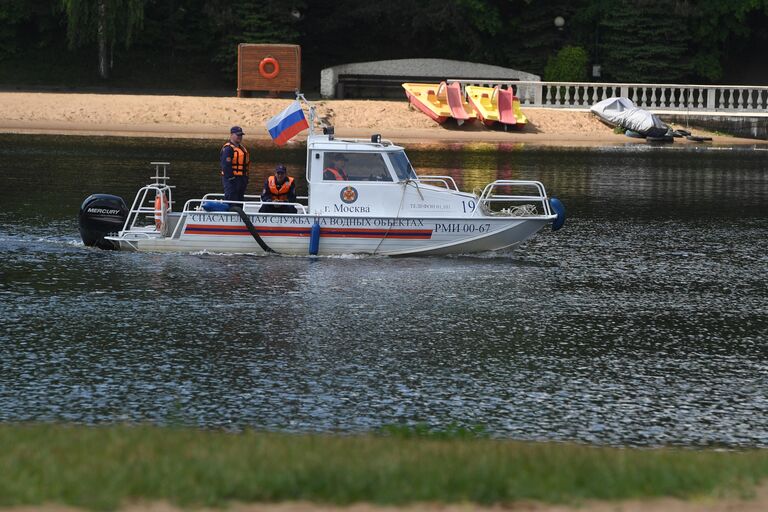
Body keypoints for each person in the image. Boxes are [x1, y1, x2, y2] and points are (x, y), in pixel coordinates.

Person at [220, 126, 250, 202]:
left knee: (240, 199)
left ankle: (239, 212)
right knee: (231, 198)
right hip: (232, 179)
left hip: (241, 178)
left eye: (241, 135)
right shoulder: (228, 149)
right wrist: (231, 178)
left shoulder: (242, 148)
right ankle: (230, 212)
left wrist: (245, 178)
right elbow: (226, 166)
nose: (239, 137)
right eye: (237, 135)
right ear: (232, 135)